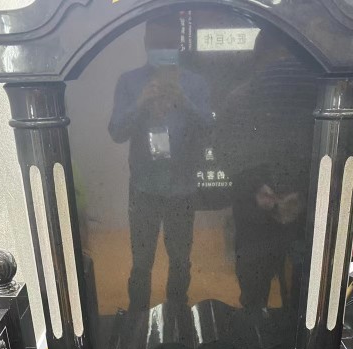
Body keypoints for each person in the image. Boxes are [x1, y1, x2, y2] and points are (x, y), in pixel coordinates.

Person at [108, 15, 212, 311]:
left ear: (179, 44)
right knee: (141, 261)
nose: (162, 49)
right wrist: (140, 102)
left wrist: (185, 102)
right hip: (144, 187)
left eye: (168, 43)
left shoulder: (195, 83)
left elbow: (209, 130)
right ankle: (138, 316)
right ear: (145, 43)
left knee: (180, 259)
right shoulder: (130, 82)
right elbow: (116, 132)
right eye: (156, 43)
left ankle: (177, 311)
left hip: (183, 188)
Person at [216, 27, 318, 311]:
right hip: (261, 215)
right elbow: (225, 150)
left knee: (295, 293)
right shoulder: (241, 99)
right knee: (261, 291)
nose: (282, 71)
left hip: (293, 214)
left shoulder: (240, 97)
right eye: (278, 61)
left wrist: (298, 194)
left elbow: (224, 151)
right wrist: (260, 188)